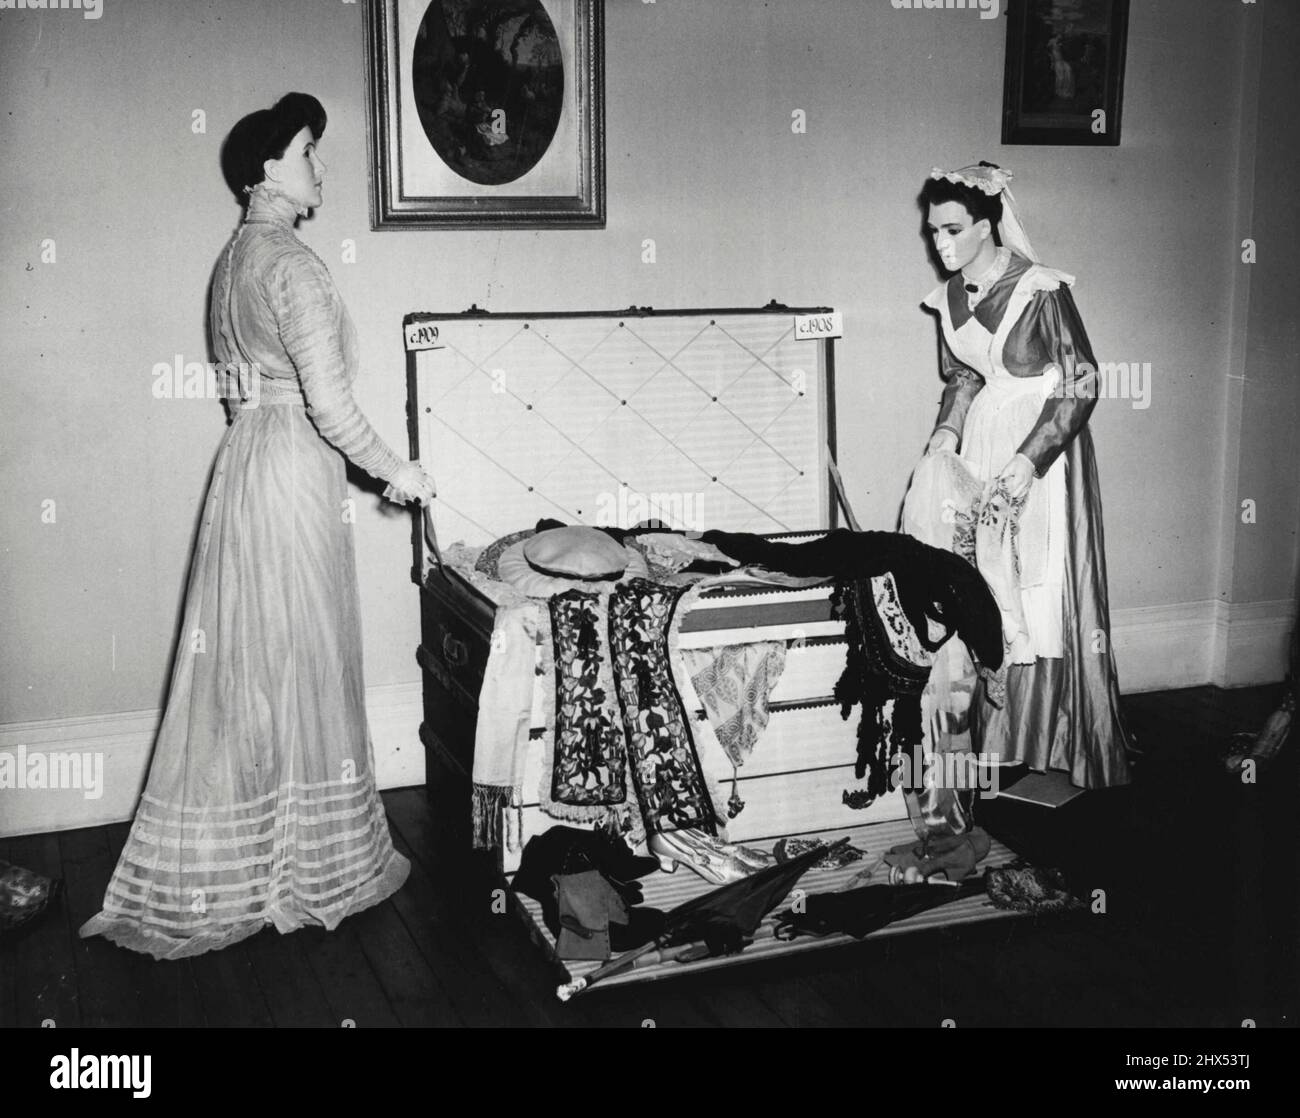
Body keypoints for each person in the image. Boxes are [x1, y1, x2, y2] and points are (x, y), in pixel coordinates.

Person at [79, 93, 436, 959]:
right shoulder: (293, 264)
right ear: (270, 168)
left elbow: (239, 396)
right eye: (310, 150)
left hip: (243, 469)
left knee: (252, 665)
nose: (321, 168)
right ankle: (310, 868)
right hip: (293, 470)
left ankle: (250, 863)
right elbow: (333, 407)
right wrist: (401, 471)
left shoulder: (231, 261)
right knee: (301, 654)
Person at [907, 162, 1131, 791]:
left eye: (953, 230)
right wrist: (947, 433)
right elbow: (963, 376)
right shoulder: (948, 296)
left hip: (1040, 451)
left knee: (1035, 578)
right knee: (979, 577)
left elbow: (1083, 380)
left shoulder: (1040, 289)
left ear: (988, 225)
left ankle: (1051, 735)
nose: (940, 244)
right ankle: (990, 741)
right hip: (982, 438)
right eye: (933, 232)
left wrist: (1031, 459)